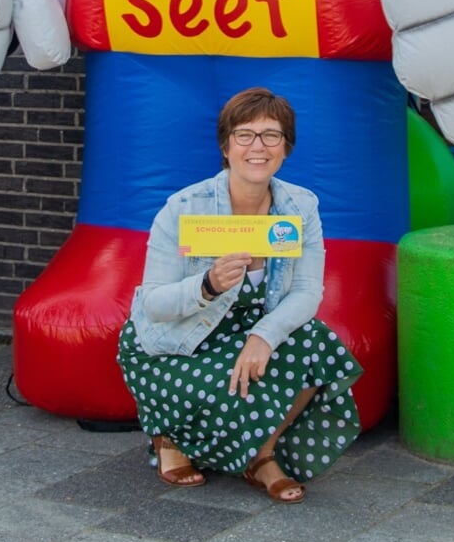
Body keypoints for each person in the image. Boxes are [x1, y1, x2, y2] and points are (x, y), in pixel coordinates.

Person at [117, 88, 363, 504]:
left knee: (320, 344)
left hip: (250, 330)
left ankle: (260, 456)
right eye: (245, 134)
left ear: (287, 146)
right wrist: (208, 284)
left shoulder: (300, 207)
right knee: (220, 384)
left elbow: (306, 291)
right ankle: (170, 441)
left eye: (272, 135)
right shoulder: (183, 207)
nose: (258, 146)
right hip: (179, 336)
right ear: (225, 145)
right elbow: (154, 303)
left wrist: (263, 336)